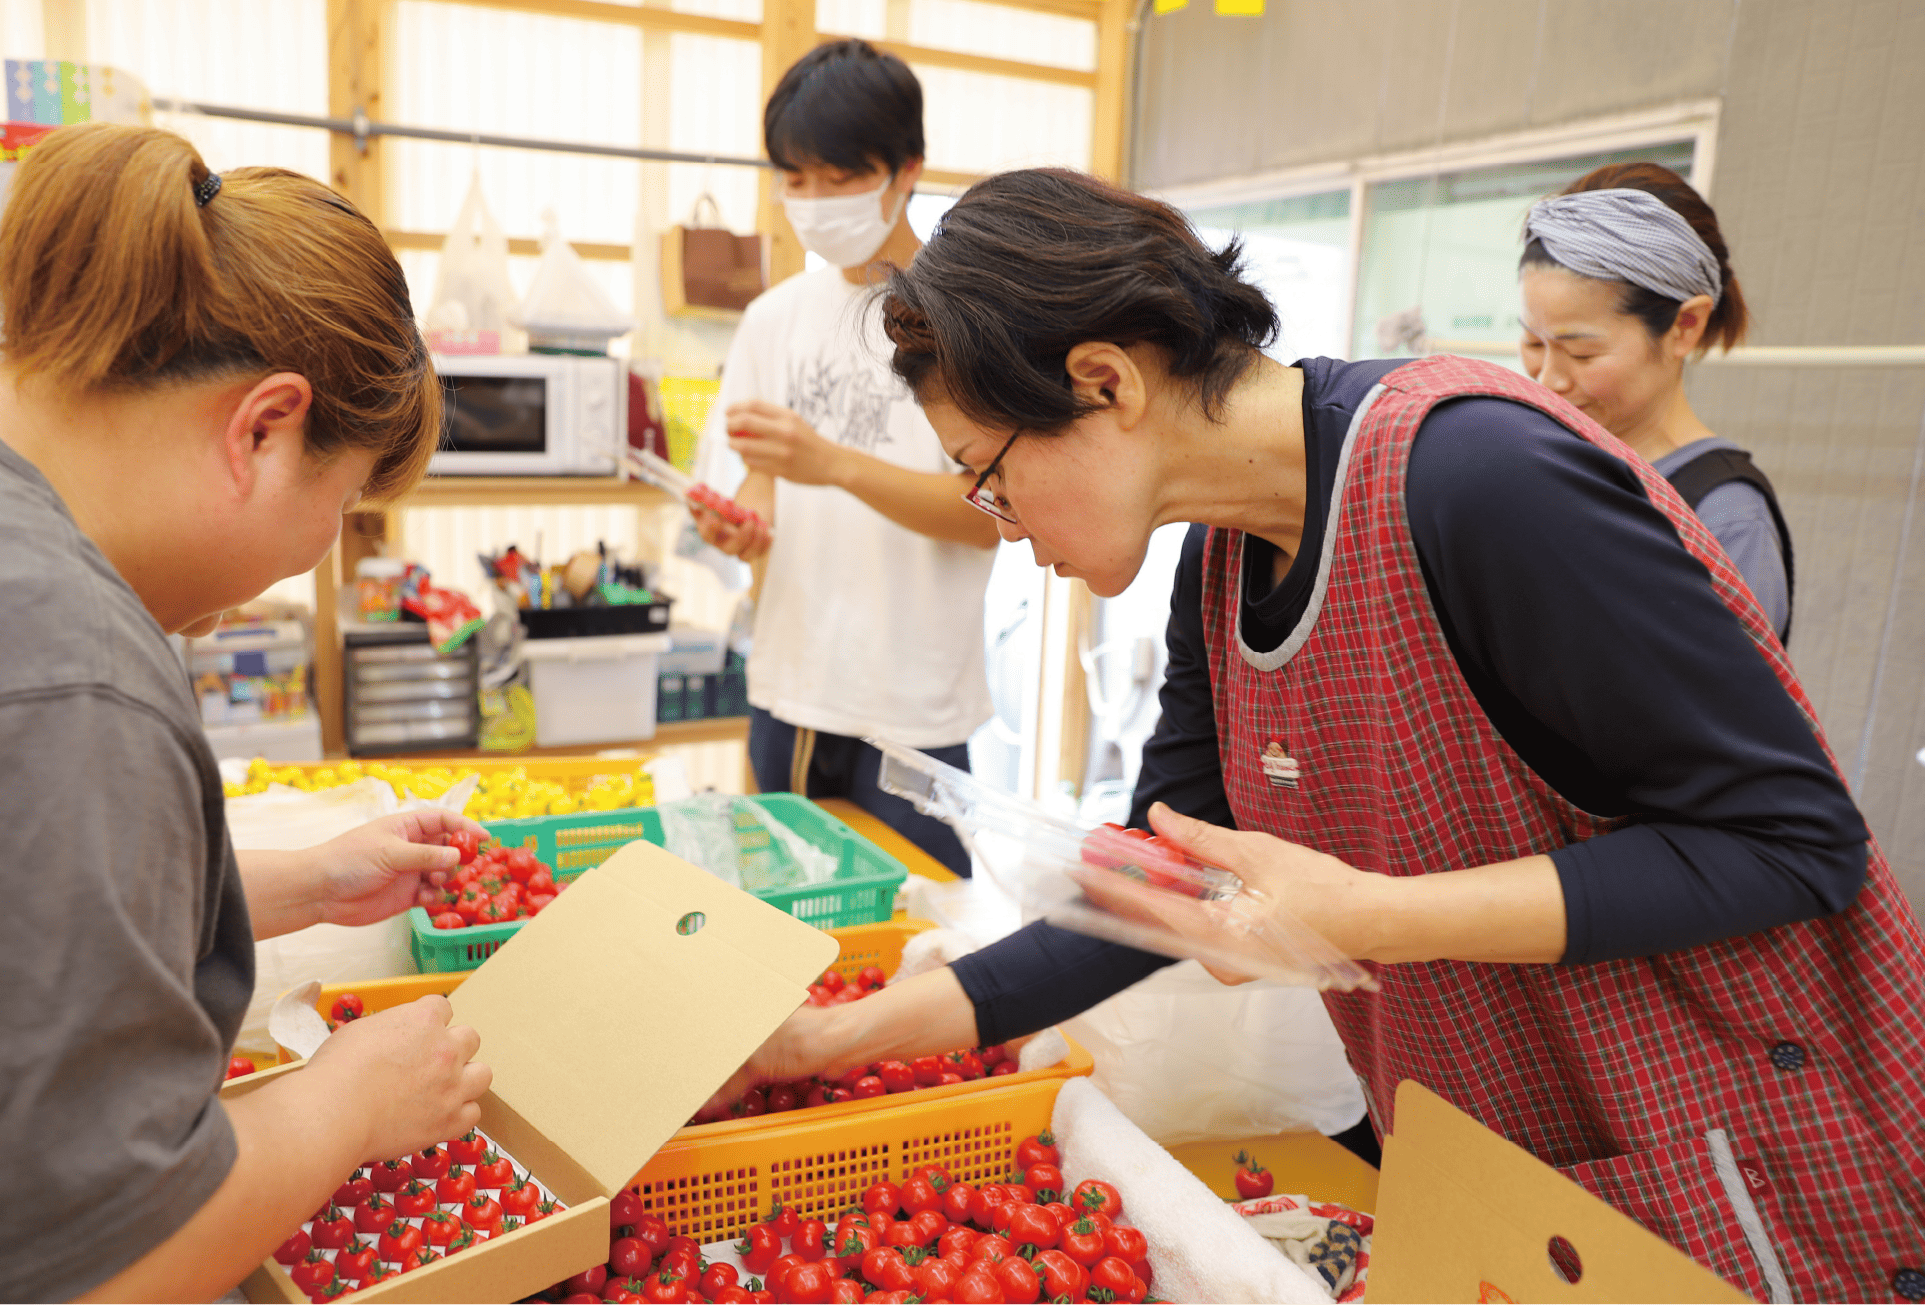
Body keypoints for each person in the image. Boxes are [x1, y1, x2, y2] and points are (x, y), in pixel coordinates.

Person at [722, 169, 1925, 1303]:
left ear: (1104, 381)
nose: (1000, 521)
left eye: (988, 474)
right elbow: (1155, 893)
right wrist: (826, 1039)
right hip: (1517, 1170)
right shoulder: (1218, 563)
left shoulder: (1472, 476)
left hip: (1730, 1154)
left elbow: (1791, 842)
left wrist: (1371, 915)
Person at [0, 123, 492, 1303]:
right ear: (262, 428)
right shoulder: (46, 662)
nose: (310, 562)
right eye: (342, 505)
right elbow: (82, 1274)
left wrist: (285, 885)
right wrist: (344, 1102)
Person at [688, 39, 999, 876]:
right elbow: (753, 484)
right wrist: (737, 527)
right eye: (796, 179)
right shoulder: (774, 318)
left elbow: (989, 519)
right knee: (777, 926)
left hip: (916, 705)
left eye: (840, 178)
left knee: (921, 934)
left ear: (907, 171)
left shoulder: (966, 320)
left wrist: (832, 465)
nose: (815, 200)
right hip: (791, 686)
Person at [1519, 161, 1795, 640]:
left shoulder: (1726, 521)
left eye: (1581, 352)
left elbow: (1726, 709)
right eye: (1533, 344)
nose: (1548, 380)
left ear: (1685, 327)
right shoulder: (1549, 460)